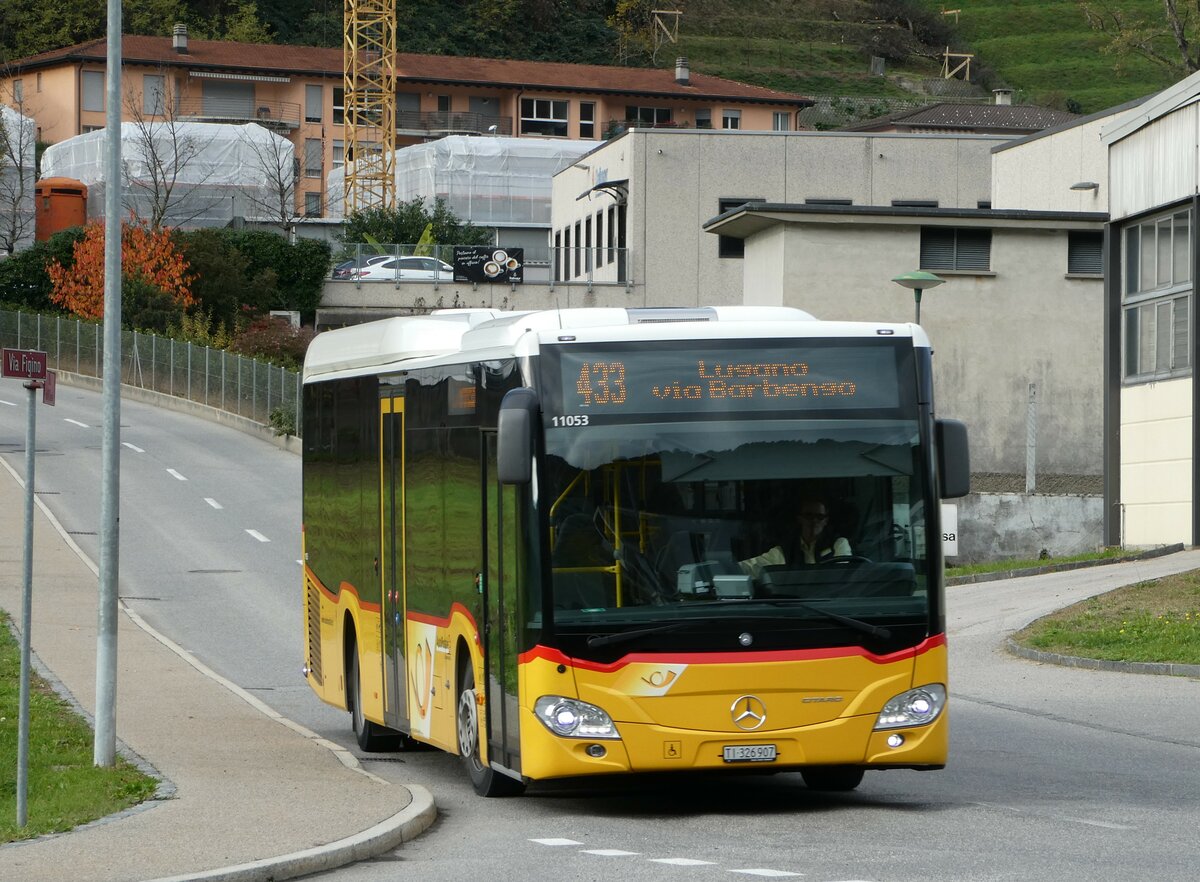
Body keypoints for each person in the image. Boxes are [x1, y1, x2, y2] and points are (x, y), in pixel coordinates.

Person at [739, 497, 852, 579]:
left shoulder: (838, 544)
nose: (814, 521)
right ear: (800, 518)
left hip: (830, 602)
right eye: (808, 515)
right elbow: (751, 567)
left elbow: (842, 575)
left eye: (819, 516)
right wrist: (729, 564)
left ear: (826, 521)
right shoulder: (785, 550)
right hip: (795, 602)